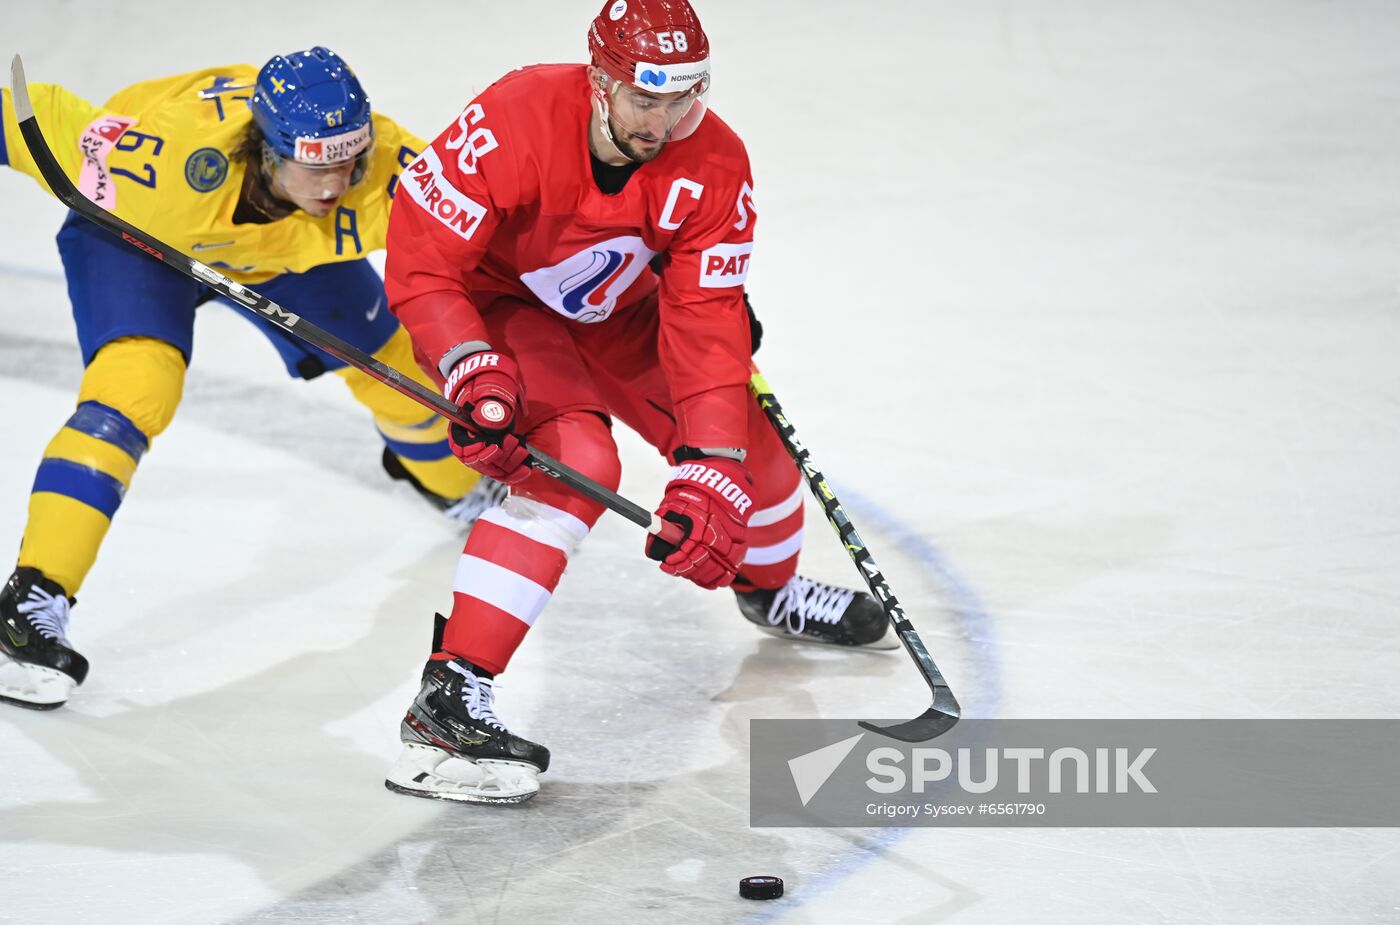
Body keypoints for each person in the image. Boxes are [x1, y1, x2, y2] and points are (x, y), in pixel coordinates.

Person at [379, 0, 897, 805]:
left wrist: (711, 465)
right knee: (575, 460)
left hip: (622, 309)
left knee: (751, 457)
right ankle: (447, 700)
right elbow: (422, 253)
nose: (664, 121)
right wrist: (467, 361)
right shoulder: (514, 114)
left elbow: (705, 316)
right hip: (502, 306)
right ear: (599, 82)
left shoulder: (716, 159)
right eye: (645, 99)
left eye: (684, 97)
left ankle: (771, 588)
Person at [0, 47, 505, 711]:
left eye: (349, 160)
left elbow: (493, 241)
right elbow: (28, 119)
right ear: (267, 150)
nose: (337, 182)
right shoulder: (155, 166)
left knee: (398, 369)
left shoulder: (385, 169)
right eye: (317, 164)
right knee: (134, 391)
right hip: (140, 241)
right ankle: (33, 600)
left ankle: (459, 489)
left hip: (286, 253)